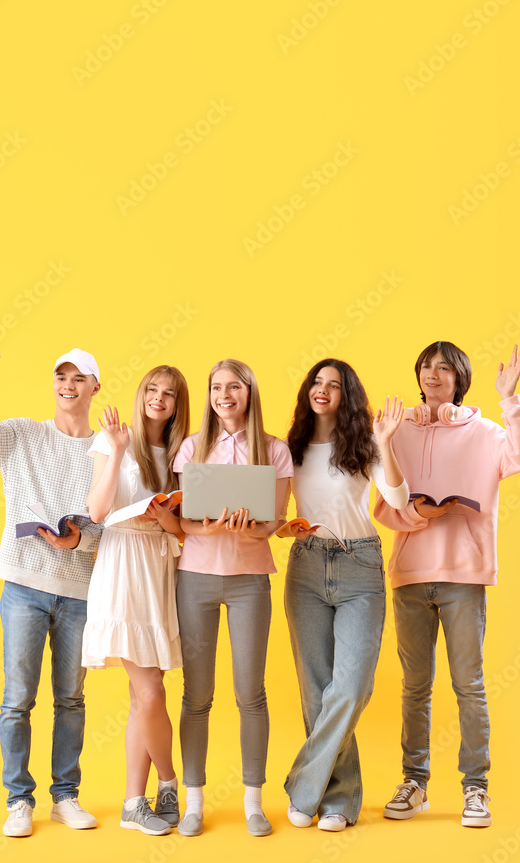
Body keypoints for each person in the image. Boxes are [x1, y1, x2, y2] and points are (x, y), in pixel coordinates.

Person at [375, 342, 520, 828]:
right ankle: (415, 782)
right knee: (414, 687)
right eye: (426, 366)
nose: (433, 373)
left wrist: (511, 400)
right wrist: (414, 513)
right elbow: (383, 507)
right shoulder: (396, 429)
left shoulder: (485, 431)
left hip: (464, 576)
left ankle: (475, 789)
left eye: (444, 367)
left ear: (459, 378)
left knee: (469, 685)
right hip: (409, 577)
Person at [0, 327, 102, 838]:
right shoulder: (22, 435)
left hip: (80, 593)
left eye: (78, 378)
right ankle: (19, 800)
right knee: (18, 698)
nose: (67, 386)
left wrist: (77, 541)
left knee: (72, 699)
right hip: (23, 587)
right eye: (61, 377)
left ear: (94, 388)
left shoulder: (106, 453)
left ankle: (66, 796)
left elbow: (111, 527)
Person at [280, 360, 408, 832]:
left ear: (346, 395)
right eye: (317, 381)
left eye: (334, 385)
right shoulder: (289, 446)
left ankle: (302, 784)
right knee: (317, 691)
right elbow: (276, 513)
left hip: (359, 566)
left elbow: (397, 500)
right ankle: (337, 801)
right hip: (306, 564)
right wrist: (282, 527)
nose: (323, 389)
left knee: (350, 687)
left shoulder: (365, 443)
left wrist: (387, 442)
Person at [172, 359, 293, 837]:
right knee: (196, 695)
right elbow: (181, 523)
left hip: (249, 582)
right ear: (209, 395)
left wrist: (250, 530)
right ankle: (194, 803)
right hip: (196, 578)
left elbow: (277, 521)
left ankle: (253, 803)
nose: (224, 395)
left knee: (250, 692)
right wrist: (211, 527)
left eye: (234, 387)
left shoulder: (275, 450)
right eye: (216, 388)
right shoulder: (191, 448)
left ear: (250, 393)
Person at [82, 366, 190, 836]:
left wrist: (164, 515)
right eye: (152, 389)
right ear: (141, 393)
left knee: (142, 699)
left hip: (160, 567)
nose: (159, 398)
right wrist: (119, 451)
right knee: (151, 693)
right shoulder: (113, 440)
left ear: (177, 403)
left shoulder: (183, 453)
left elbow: (184, 529)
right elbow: (98, 511)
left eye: (169, 394)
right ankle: (168, 783)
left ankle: (132, 803)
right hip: (122, 563)